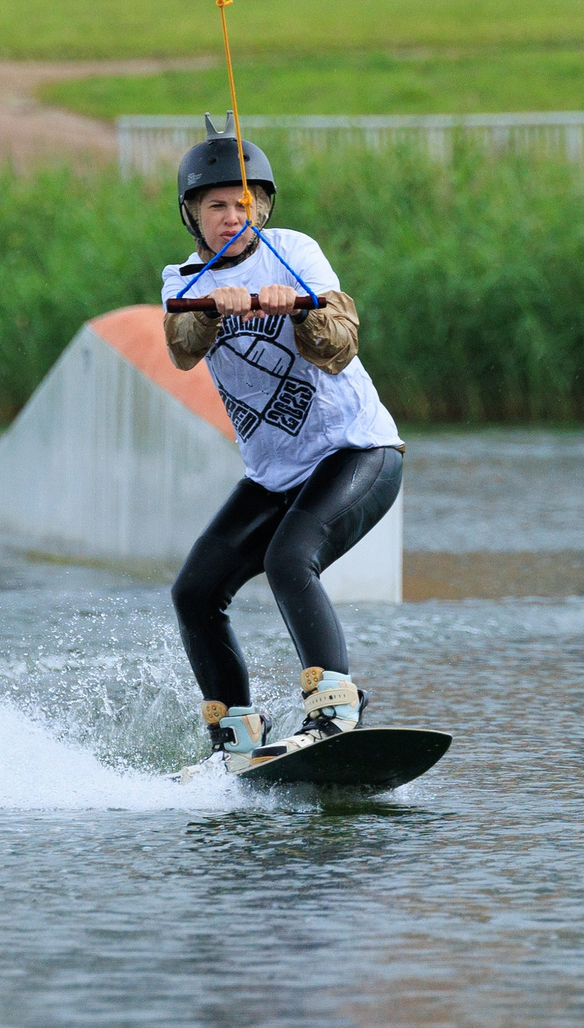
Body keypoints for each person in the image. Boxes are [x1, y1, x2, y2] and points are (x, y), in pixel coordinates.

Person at [162, 127, 403, 771]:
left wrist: (296, 309)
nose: (231, 217)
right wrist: (213, 310)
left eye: (244, 203)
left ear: (263, 207)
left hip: (357, 451)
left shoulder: (295, 253)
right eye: (216, 206)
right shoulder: (182, 279)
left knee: (289, 558)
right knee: (194, 591)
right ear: (192, 215)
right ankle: (236, 736)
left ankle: (333, 710)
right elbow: (183, 347)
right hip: (274, 476)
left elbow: (340, 345)